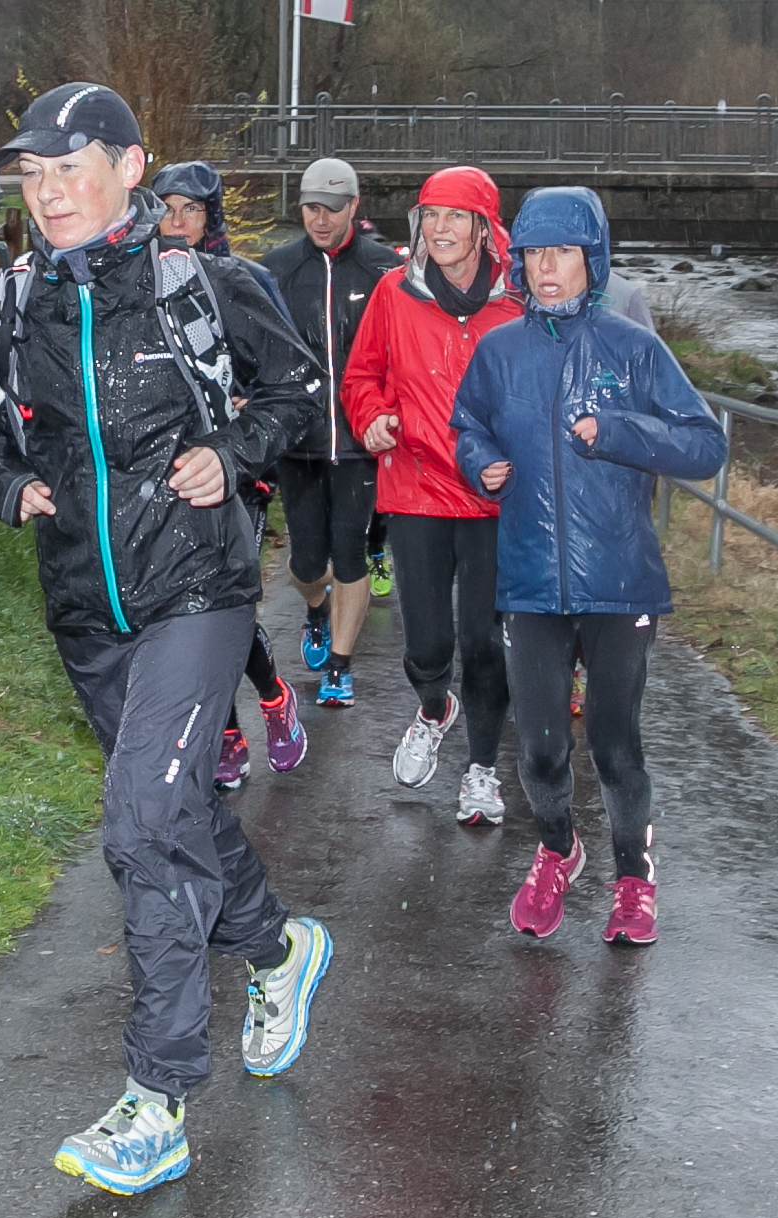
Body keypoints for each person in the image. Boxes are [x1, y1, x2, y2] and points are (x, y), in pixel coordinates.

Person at [0, 82, 332, 1197]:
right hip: (85, 605)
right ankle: (278, 950)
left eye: (68, 169)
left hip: (196, 589)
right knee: (179, 809)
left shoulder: (203, 285)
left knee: (140, 829)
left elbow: (296, 390)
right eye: (32, 175)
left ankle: (155, 1099)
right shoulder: (10, 300)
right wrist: (5, 481)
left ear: (130, 169)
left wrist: (232, 452)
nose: (47, 194)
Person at [452, 186, 727, 945]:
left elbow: (705, 444)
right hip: (530, 581)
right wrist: (479, 461)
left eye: (564, 253)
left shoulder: (633, 348)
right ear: (518, 262)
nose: (547, 267)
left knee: (612, 742)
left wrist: (619, 431)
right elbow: (466, 424)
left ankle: (633, 877)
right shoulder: (498, 351)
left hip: (619, 581)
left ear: (592, 260)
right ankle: (556, 849)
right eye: (535, 253)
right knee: (540, 749)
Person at [343, 167, 522, 826]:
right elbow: (361, 376)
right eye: (430, 216)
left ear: (484, 227)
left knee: (483, 641)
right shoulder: (394, 292)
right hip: (414, 485)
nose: (440, 229)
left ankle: (481, 769)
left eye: (455, 216)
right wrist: (371, 417)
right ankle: (433, 707)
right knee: (425, 645)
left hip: (491, 495)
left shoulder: (516, 302)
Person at [150, 160, 307, 789]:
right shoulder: (137, 284)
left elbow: (288, 376)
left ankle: (272, 697)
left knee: (226, 603)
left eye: (191, 210)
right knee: (185, 609)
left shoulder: (245, 280)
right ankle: (225, 733)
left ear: (210, 218)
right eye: (166, 208)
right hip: (168, 470)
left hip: (240, 471)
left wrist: (247, 406)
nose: (176, 222)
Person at [261, 158, 402, 706]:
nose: (321, 220)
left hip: (361, 441)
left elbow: (404, 351)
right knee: (306, 564)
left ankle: (340, 666)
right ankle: (317, 610)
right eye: (311, 209)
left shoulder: (384, 270)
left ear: (354, 207)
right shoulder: (277, 269)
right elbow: (254, 344)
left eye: (333, 210)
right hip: (299, 442)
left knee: (349, 553)